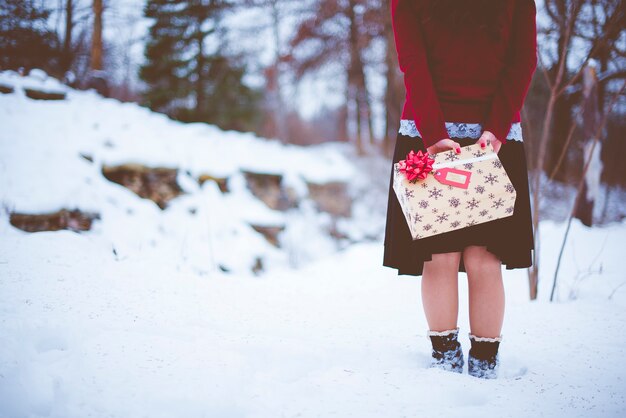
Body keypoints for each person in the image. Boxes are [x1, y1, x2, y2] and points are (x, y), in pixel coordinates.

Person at [383, 0, 537, 379]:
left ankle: (447, 361)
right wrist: (496, 128)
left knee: (440, 256)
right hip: (495, 137)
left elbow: (413, 65)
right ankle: (483, 367)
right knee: (485, 258)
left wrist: (434, 134)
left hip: (426, 130)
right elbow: (522, 62)